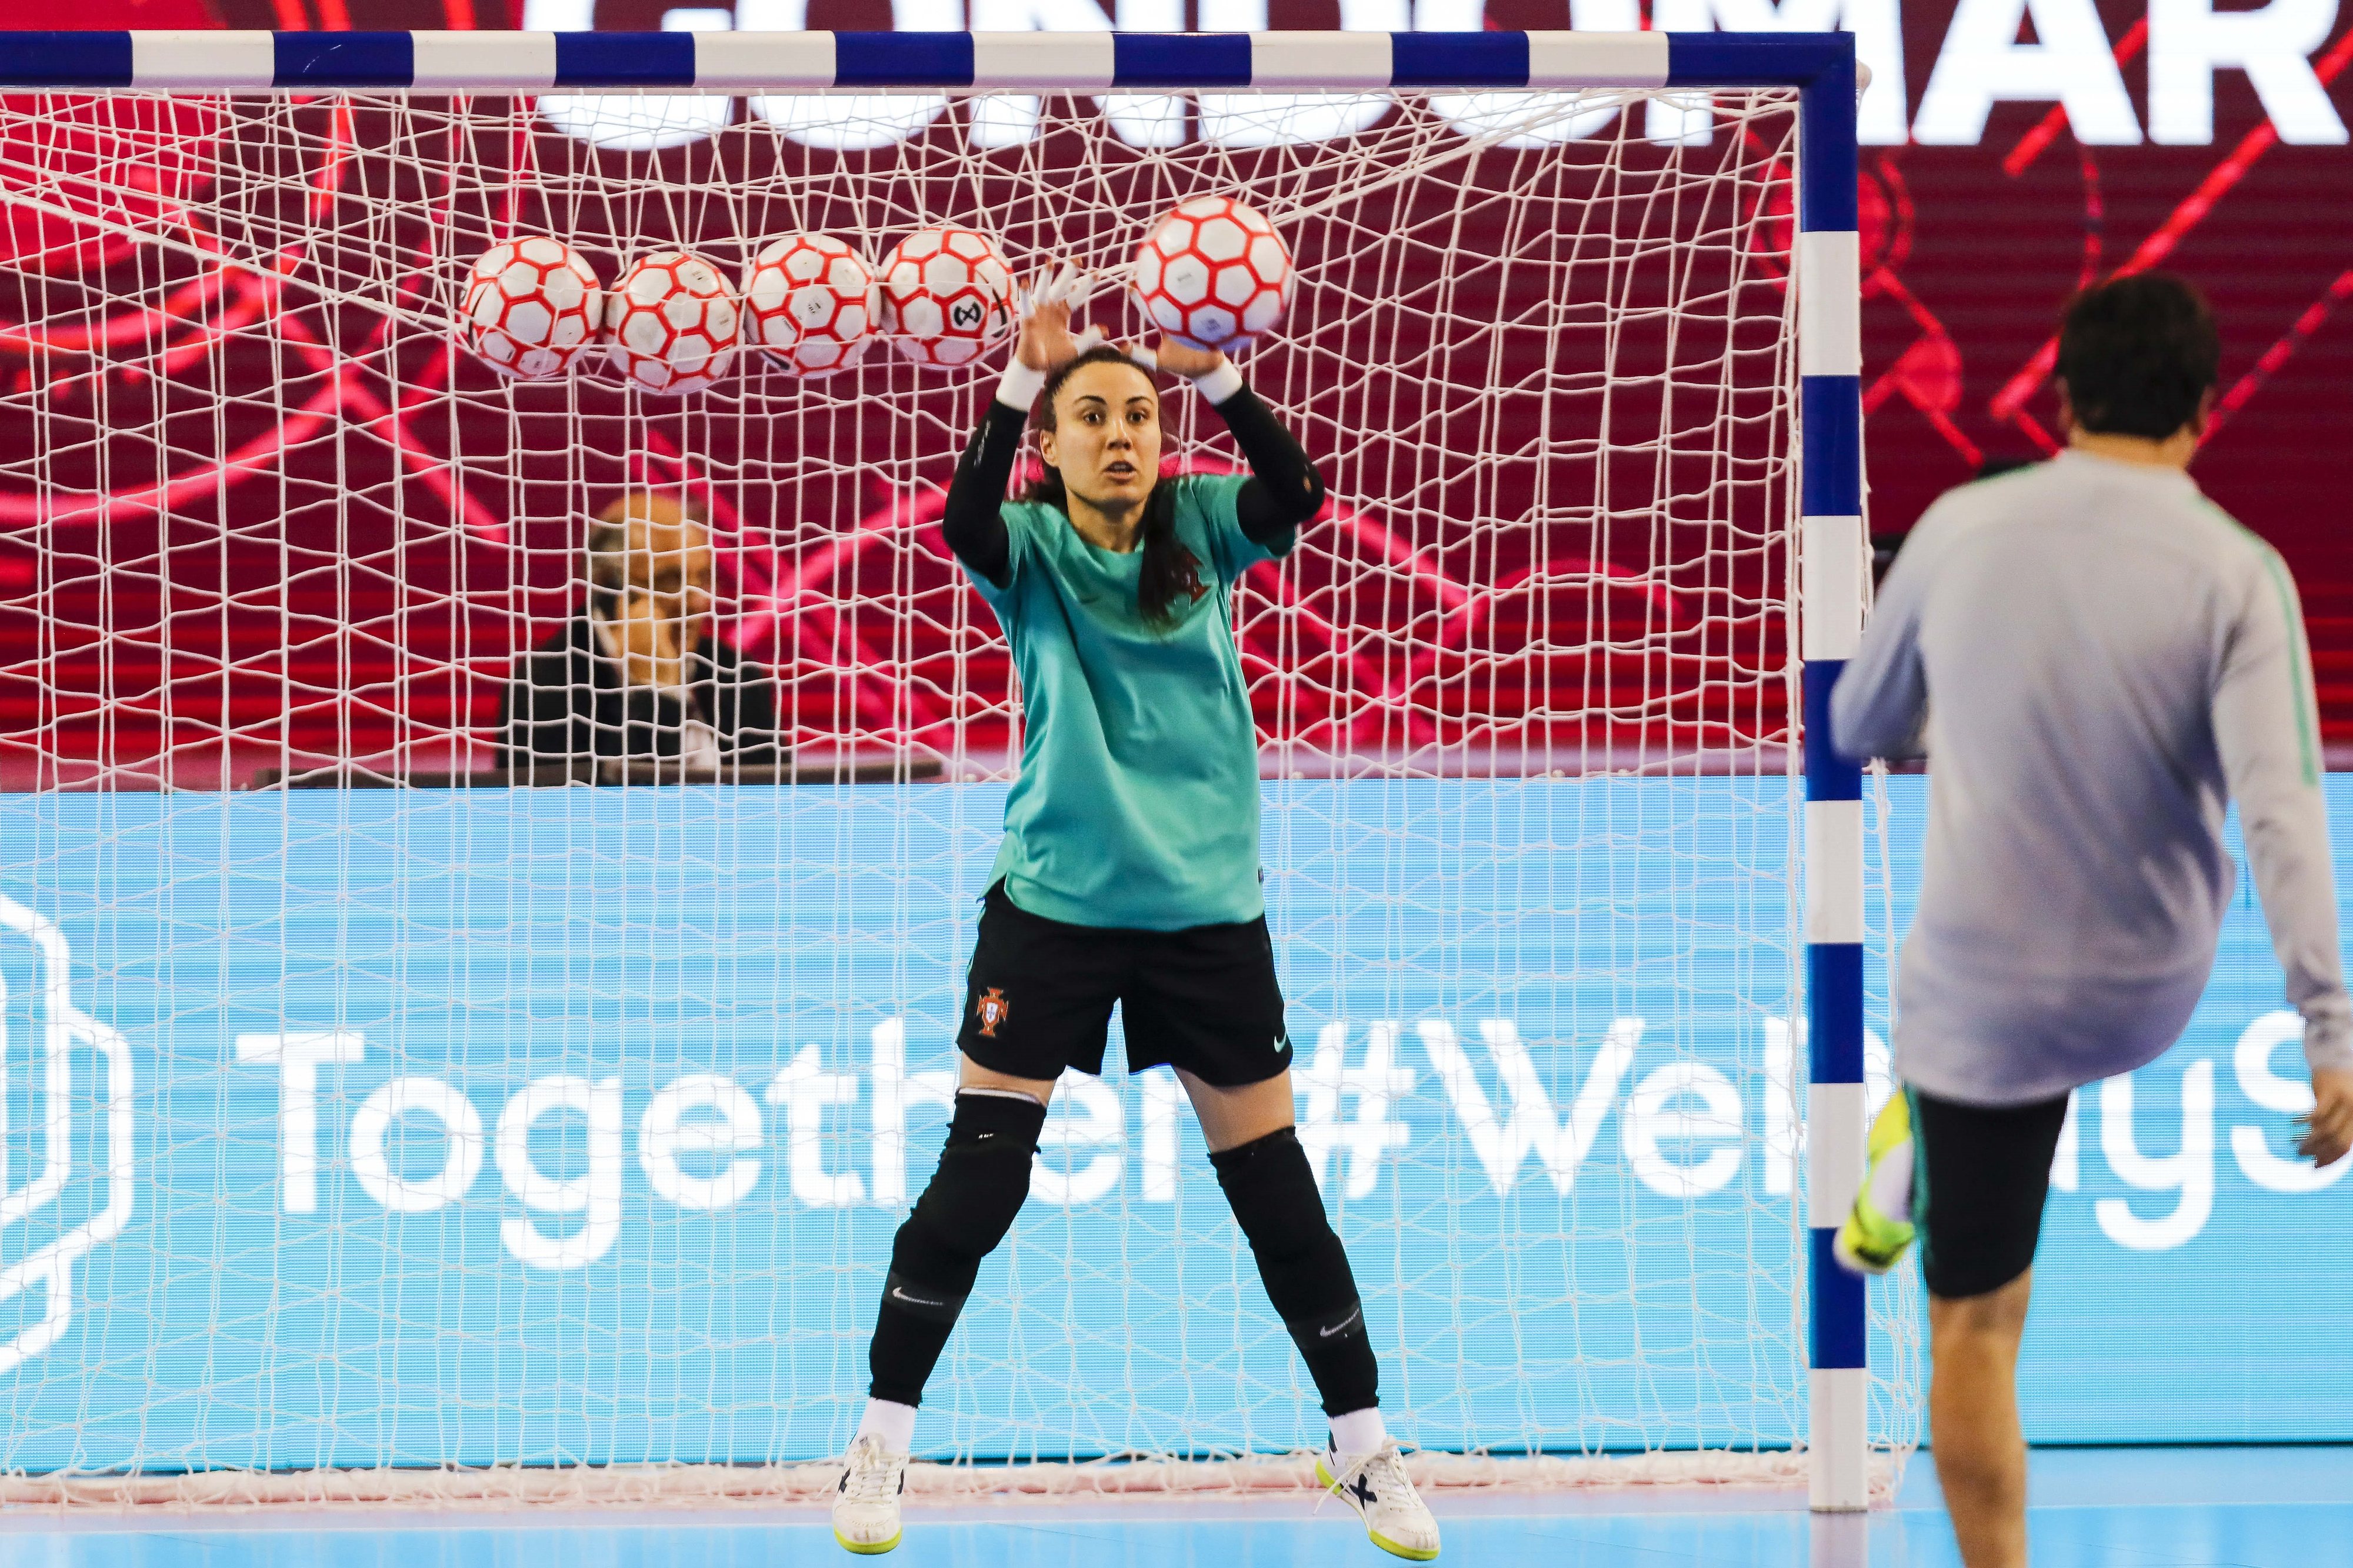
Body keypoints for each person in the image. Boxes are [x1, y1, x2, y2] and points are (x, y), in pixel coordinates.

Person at [826, 272, 1439, 1562]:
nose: (1121, 433)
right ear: (1047, 449)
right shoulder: (1033, 549)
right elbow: (960, 521)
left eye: (1139, 417)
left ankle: (1363, 1450)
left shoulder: (1206, 526)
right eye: (1091, 416)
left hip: (1206, 916)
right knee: (978, 1179)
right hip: (1052, 908)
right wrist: (1016, 377)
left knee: (1276, 1192)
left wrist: (1210, 370)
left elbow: (1298, 494)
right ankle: (880, 1440)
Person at [1829, 273, 2353, 1568]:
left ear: (2058, 395)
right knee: (2003, 1057)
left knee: (1974, 1326)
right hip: (2146, 990)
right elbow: (2279, 811)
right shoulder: (2241, 570)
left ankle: (1919, 1132)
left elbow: (1852, 729)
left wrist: (1960, 713)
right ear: (2206, 409)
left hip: (1979, 998)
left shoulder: (1955, 525)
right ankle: (1919, 1135)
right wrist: (2328, 1030)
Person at [498, 491, 782, 781]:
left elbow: (781, 805)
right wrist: (657, 690)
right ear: (608, 586)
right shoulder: (544, 686)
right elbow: (612, 816)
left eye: (704, 578)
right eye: (671, 579)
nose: (697, 602)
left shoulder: (738, 674)